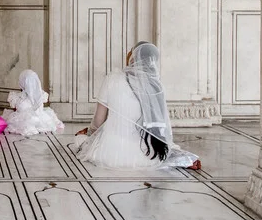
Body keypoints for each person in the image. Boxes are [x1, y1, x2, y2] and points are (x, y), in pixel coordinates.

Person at [74, 41, 201, 170]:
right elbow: (161, 127)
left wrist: (90, 135)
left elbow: (98, 121)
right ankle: (182, 160)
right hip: (149, 157)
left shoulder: (112, 79)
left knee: (80, 139)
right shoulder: (156, 86)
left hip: (111, 155)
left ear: (133, 57)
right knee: (168, 148)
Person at [3, 69, 64, 136]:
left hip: (23, 121)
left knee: (12, 120)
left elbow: (15, 109)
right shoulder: (41, 95)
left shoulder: (17, 97)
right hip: (41, 118)